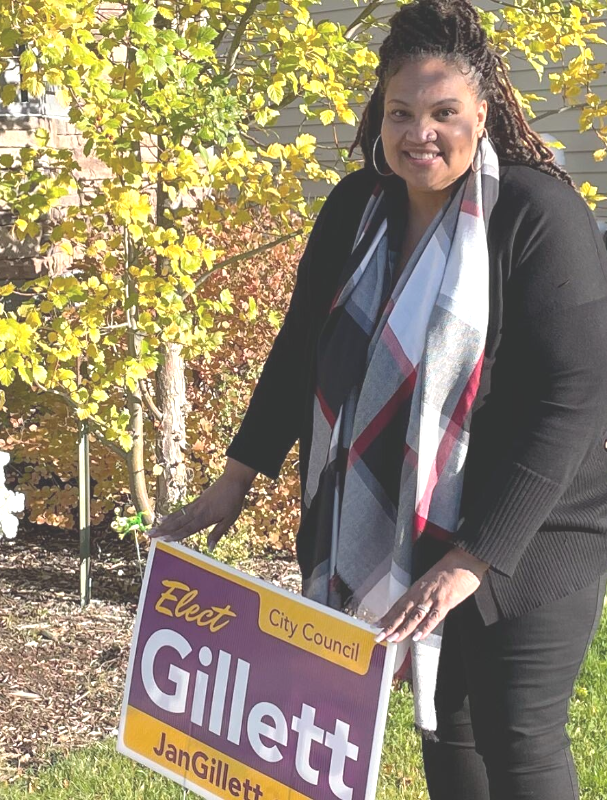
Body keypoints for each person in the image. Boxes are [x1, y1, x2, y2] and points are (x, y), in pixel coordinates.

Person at [149, 1, 607, 797]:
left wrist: (473, 559)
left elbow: (571, 402)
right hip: (414, 512)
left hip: (536, 522)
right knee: (443, 724)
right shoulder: (356, 210)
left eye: (442, 113)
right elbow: (298, 356)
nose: (418, 133)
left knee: (516, 733)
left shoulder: (537, 215)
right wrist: (233, 483)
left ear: (483, 114)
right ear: (378, 113)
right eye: (400, 112)